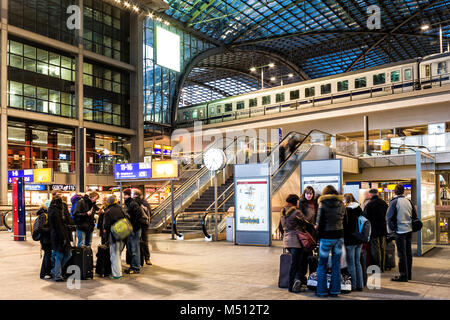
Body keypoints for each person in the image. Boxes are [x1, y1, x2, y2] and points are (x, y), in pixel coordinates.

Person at [315, 185, 346, 297]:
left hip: (326, 237)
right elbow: (345, 222)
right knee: (336, 265)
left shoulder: (322, 204)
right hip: (339, 237)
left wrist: (317, 237)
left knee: (322, 265)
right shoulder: (342, 204)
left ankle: (322, 291)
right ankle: (335, 291)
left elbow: (319, 223)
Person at [280, 194, 308, 293]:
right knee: (296, 264)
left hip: (287, 241)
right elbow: (305, 224)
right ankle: (292, 286)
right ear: (296, 201)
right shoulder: (297, 212)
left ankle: (295, 283)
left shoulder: (283, 211)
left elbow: (281, 227)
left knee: (295, 263)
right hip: (296, 241)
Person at [386, 184, 415, 282]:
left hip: (400, 231)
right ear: (404, 192)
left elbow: (389, 217)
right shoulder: (409, 201)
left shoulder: (394, 202)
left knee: (401, 254)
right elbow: (414, 216)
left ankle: (403, 276)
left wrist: (392, 229)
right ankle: (409, 274)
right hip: (409, 230)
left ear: (395, 192)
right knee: (408, 253)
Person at [48, 196, 74, 282]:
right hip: (59, 236)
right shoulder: (56, 211)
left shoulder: (54, 209)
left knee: (65, 254)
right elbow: (59, 226)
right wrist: (63, 238)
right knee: (61, 255)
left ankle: (55, 271)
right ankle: (57, 275)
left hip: (57, 235)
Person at [364, 188, 389, 272]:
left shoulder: (369, 205)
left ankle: (378, 267)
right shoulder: (384, 203)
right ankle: (383, 266)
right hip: (383, 228)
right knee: (382, 248)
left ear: (370, 194)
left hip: (374, 230)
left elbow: (365, 218)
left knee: (375, 249)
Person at [343, 193, 364, 291]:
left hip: (349, 240)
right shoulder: (359, 209)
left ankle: (354, 285)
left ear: (346, 201)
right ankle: (360, 285)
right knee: (358, 262)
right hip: (359, 239)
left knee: (351, 263)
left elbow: (345, 226)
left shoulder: (347, 210)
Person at [103, 195, 127, 280]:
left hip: (114, 235)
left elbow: (106, 226)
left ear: (108, 202)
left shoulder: (108, 211)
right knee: (118, 254)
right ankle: (118, 271)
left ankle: (117, 274)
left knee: (114, 255)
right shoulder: (120, 209)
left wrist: (105, 231)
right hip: (124, 234)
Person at [298, 186, 319, 282]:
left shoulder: (315, 203)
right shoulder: (301, 203)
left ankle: (312, 276)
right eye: (307, 193)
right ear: (304, 194)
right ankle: (303, 277)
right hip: (305, 231)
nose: (309, 195)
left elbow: (317, 215)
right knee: (304, 255)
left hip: (313, 231)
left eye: (311, 193)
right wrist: (310, 225)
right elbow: (301, 218)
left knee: (312, 256)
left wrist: (316, 224)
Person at [123, 188, 143, 274]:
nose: (124, 196)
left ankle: (135, 268)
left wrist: (133, 227)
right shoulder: (128, 203)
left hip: (134, 230)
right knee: (131, 248)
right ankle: (133, 266)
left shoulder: (133, 204)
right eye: (124, 194)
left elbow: (139, 215)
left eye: (126, 195)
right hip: (131, 229)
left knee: (134, 249)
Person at [133, 189, 153, 266]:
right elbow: (150, 213)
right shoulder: (145, 203)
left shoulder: (140, 203)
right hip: (144, 224)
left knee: (141, 241)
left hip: (140, 224)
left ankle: (143, 258)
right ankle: (146, 259)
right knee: (144, 241)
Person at [37, 200, 52, 280]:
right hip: (45, 239)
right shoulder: (44, 215)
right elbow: (40, 228)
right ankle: (45, 273)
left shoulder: (46, 214)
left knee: (47, 255)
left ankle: (44, 273)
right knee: (47, 255)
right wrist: (51, 229)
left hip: (47, 238)